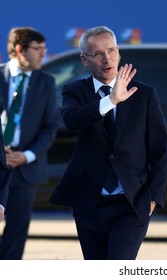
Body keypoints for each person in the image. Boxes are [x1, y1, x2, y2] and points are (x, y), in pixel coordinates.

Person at [49, 26, 167, 260]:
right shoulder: (74, 90)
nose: (107, 58)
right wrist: (111, 100)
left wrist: (154, 197)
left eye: (112, 50)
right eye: (98, 54)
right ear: (84, 60)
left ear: (119, 52)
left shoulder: (144, 94)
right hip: (90, 203)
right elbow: (73, 121)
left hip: (131, 203)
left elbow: (161, 149)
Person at [0, 27, 60, 260]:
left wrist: (27, 155)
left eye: (45, 49)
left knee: (16, 232)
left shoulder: (46, 82)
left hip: (25, 168)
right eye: (38, 49)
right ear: (19, 50)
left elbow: (50, 127)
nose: (43, 54)